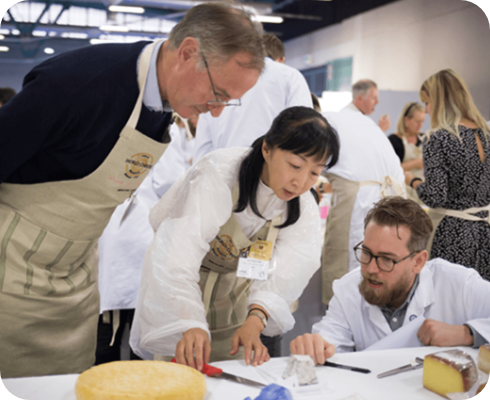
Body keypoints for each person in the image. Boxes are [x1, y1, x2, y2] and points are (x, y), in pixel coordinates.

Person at [0, 1, 264, 378]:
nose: (217, 111)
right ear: (188, 53)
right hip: (9, 276)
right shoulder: (76, 84)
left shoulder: (160, 104)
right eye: (218, 94)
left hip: (73, 281)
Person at [130, 106, 340, 371]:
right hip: (183, 299)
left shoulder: (302, 206)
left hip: (239, 312)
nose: (300, 182)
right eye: (295, 165)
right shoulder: (219, 174)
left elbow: (290, 271)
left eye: (314, 172)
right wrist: (188, 322)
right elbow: (177, 254)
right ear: (267, 149)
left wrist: (256, 318)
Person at [290, 197, 490, 363]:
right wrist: (314, 346)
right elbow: (329, 343)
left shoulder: (458, 284)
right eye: (366, 252)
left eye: (387, 259)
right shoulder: (347, 290)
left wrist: (467, 334)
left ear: (418, 262)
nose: (370, 268)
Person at [96, 113, 196, 365]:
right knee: (142, 341)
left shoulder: (107, 122)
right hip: (142, 234)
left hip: (109, 232)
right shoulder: (163, 128)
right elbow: (170, 183)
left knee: (106, 334)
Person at [318, 92, 405, 304]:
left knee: (350, 279)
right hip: (393, 203)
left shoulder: (327, 125)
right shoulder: (362, 124)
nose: (377, 102)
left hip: (361, 207)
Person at [406, 69, 490, 280]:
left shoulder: (437, 138)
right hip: (484, 232)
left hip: (452, 234)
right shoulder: (486, 135)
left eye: (427, 102)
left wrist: (413, 181)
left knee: (448, 304)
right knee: (480, 304)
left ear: (439, 101)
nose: (425, 110)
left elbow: (435, 197)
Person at [193, 33, 312, 164]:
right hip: (268, 174)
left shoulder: (215, 78)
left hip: (221, 174)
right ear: (281, 59)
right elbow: (304, 135)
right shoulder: (290, 77)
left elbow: (203, 149)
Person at [388, 102, 426, 203]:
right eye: (417, 121)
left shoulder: (425, 139)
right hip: (402, 193)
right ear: (406, 120)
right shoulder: (394, 141)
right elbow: (389, 171)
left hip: (421, 193)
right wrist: (415, 164)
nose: (420, 125)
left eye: (422, 121)